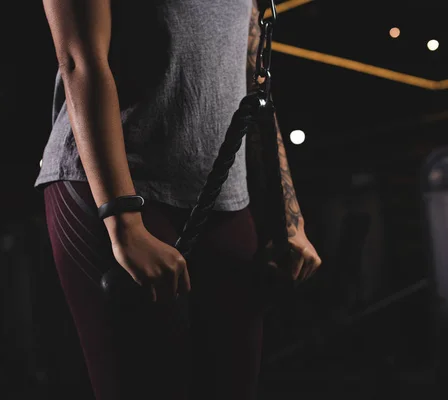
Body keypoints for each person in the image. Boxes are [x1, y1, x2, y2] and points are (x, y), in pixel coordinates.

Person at [35, 0, 322, 399]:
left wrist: (289, 220)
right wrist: (122, 221)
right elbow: (79, 62)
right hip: (116, 191)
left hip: (223, 195)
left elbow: (255, 81)